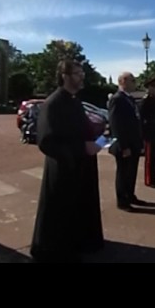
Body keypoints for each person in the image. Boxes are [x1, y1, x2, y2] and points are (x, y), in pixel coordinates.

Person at [30, 60, 103, 263]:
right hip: (63, 171)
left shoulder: (74, 100)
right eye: (78, 73)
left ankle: (78, 244)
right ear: (65, 76)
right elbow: (46, 140)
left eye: (82, 73)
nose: (82, 77)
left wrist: (95, 138)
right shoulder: (53, 103)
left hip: (80, 167)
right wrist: (82, 147)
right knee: (59, 216)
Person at [108, 72, 144, 211]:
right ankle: (122, 201)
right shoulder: (117, 99)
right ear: (123, 81)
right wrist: (124, 146)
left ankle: (130, 195)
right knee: (123, 173)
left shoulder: (129, 98)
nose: (135, 83)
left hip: (133, 143)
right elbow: (115, 124)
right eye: (132, 80)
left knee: (132, 172)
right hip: (125, 144)